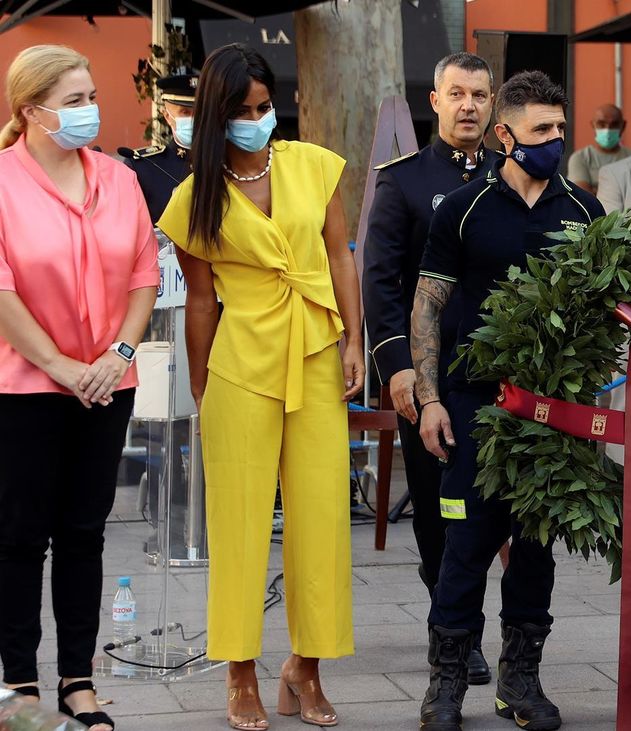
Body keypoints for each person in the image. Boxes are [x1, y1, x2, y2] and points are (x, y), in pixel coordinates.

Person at [158, 43, 363, 730]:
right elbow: (200, 300)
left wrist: (354, 339)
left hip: (314, 350)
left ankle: (305, 667)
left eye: (264, 107)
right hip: (239, 363)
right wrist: (200, 382)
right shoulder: (195, 196)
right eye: (243, 111)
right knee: (242, 523)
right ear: (217, 116)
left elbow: (340, 255)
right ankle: (239, 671)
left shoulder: (312, 165)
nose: (257, 120)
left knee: (322, 517)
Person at [412, 70, 602, 731]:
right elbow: (428, 305)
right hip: (473, 406)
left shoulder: (584, 213)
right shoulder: (460, 209)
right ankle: (445, 687)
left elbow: (607, 312)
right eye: (541, 130)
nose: (554, 139)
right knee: (465, 543)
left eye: (559, 128)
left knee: (536, 547)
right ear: (504, 134)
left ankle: (520, 681)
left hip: (556, 414)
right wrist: (429, 397)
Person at [0, 44, 159, 731]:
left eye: (90, 96)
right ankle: (20, 683)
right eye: (73, 101)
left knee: (84, 533)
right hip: (26, 386)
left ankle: (78, 681)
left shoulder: (118, 179)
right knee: (18, 535)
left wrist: (117, 351)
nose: (89, 111)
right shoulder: (2, 180)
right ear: (31, 112)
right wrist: (62, 366)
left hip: (109, 381)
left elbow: (144, 274)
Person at [361, 51, 499, 689]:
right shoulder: (406, 180)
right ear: (435, 101)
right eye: (457, 94)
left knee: (501, 510)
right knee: (441, 511)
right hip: (432, 376)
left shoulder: (511, 177)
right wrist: (398, 368)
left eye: (479, 94)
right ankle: (456, 634)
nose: (469, 105)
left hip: (503, 377)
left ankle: (489, 632)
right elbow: (381, 282)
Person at [119, 70, 197, 222]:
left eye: (201, 111)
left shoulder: (231, 159)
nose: (195, 119)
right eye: (185, 112)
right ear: (167, 116)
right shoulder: (143, 166)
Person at [566, 102, 631, 194]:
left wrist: (596, 190)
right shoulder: (581, 158)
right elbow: (583, 196)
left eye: (614, 124)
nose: (607, 129)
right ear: (593, 125)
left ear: (623, 126)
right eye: (601, 124)